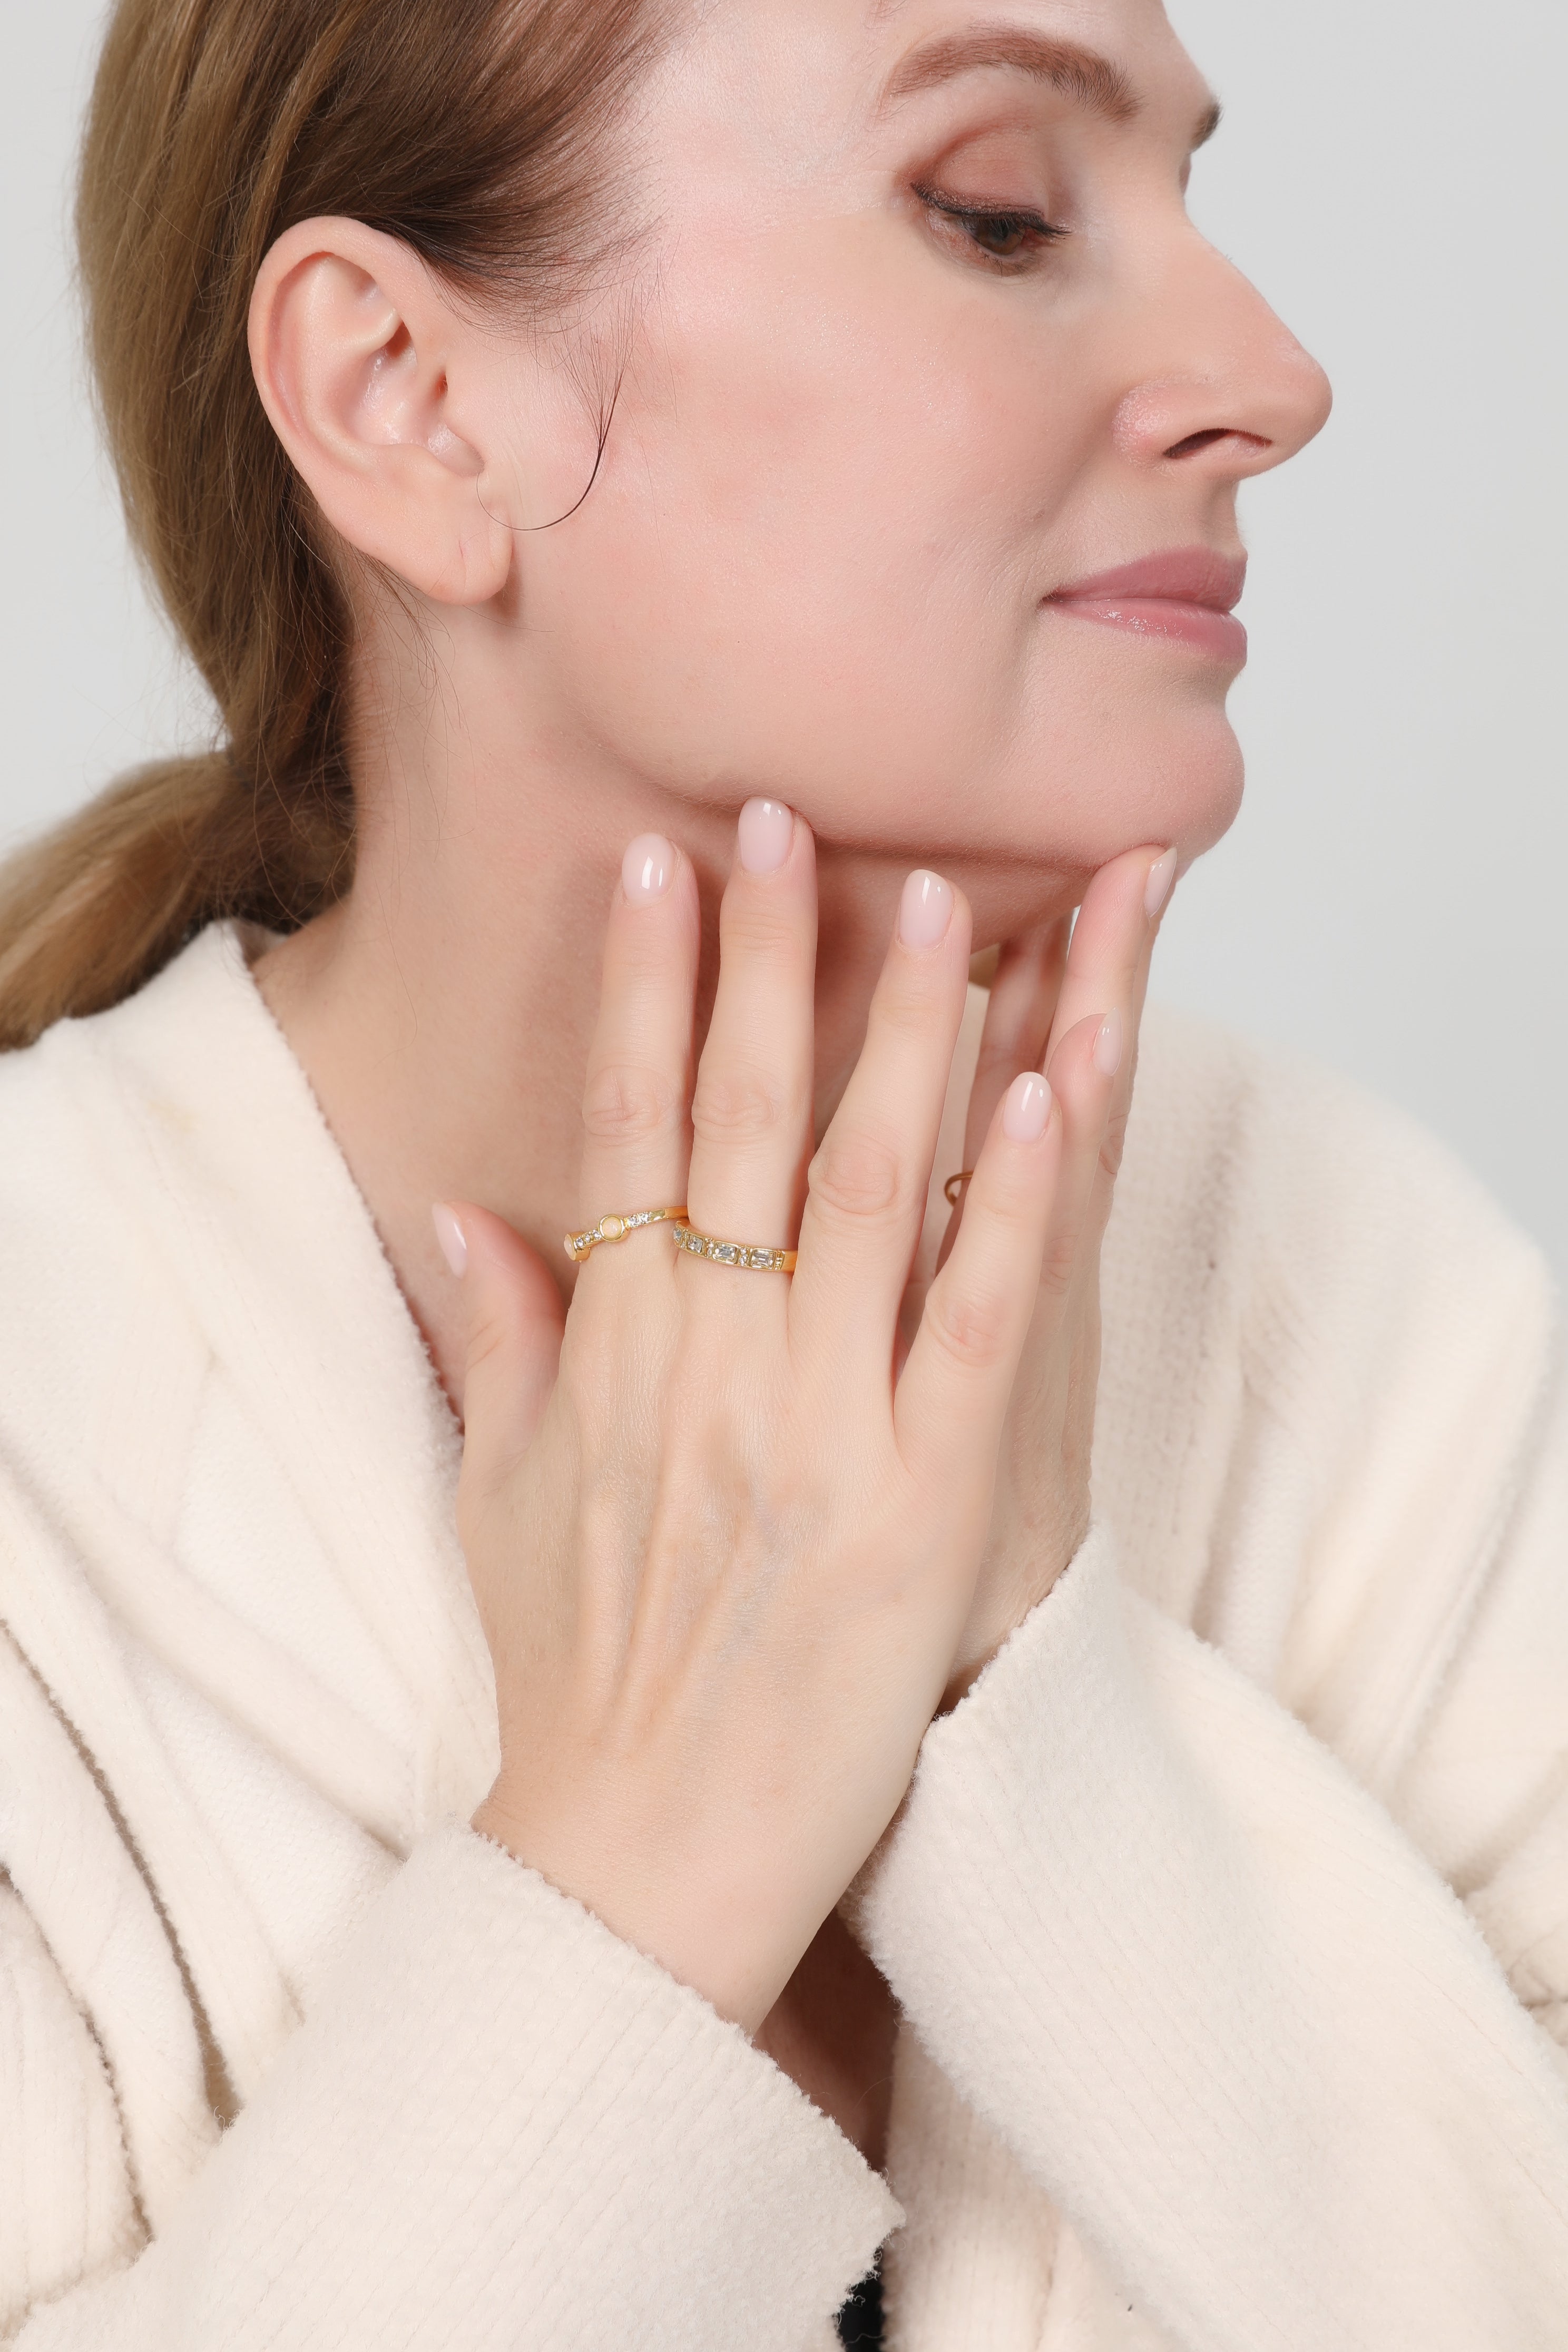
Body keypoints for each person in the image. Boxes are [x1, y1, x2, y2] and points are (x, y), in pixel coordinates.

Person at [1, 0, 1565, 2345]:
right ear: (408, 398)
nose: (1272, 371)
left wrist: (1028, 1701)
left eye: (1188, 200)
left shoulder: (1357, 1307)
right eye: (1001, 213)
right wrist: (643, 1873)